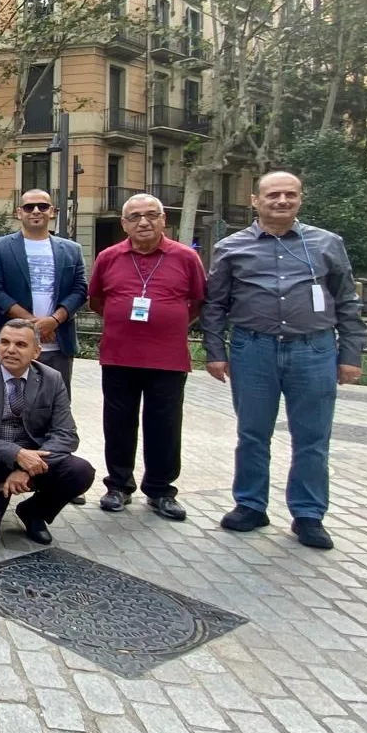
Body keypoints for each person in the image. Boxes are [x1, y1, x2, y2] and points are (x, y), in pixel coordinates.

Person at [202, 170, 367, 551]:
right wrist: (215, 352)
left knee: (312, 437)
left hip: (314, 350)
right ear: (255, 201)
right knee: (252, 433)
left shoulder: (327, 244)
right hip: (253, 350)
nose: (281, 201)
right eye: (273, 194)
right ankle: (250, 504)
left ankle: (308, 514)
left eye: (290, 195)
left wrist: (351, 354)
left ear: (300, 199)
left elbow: (347, 301)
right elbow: (215, 304)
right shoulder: (231, 247)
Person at [89, 194, 206, 522]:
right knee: (118, 424)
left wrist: (168, 324)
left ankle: (160, 490)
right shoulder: (109, 257)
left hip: (168, 358)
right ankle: (118, 486)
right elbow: (96, 300)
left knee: (165, 426)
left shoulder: (186, 257)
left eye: (151, 215)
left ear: (163, 219)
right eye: (135, 216)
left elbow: (198, 301)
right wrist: (123, 320)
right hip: (119, 355)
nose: (144, 222)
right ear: (124, 223)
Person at [0, 320, 95, 547]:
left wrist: (25, 468)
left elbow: (66, 434)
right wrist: (16, 454)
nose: (10, 350)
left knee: (80, 471)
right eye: (4, 342)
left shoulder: (52, 379)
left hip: (34, 461)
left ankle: (33, 512)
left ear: (36, 351)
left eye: (20, 344)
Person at [0, 189, 89, 390]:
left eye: (43, 206)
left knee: (57, 402)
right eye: (29, 207)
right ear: (19, 212)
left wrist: (54, 321)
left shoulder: (72, 249)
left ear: (52, 211)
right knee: (10, 401)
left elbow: (80, 290)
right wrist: (33, 325)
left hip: (58, 343)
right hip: (14, 344)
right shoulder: (0, 247)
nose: (36, 211)